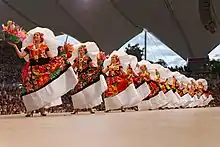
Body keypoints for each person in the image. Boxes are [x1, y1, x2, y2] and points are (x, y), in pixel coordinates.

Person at [8, 27, 78, 117]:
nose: (35, 37)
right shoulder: (29, 48)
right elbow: (21, 56)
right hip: (32, 70)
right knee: (31, 88)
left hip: (43, 70)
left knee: (42, 89)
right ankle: (30, 109)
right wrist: (15, 47)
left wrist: (64, 52)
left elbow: (52, 58)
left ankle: (42, 109)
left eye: (37, 35)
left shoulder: (45, 47)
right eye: (34, 36)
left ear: (41, 37)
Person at [70, 43, 107, 114]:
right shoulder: (77, 59)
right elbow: (73, 67)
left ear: (85, 51)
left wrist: (97, 69)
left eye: (81, 49)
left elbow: (91, 66)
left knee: (87, 91)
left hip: (87, 76)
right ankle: (76, 108)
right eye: (79, 49)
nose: (80, 50)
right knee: (76, 91)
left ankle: (91, 107)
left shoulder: (87, 58)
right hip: (80, 77)